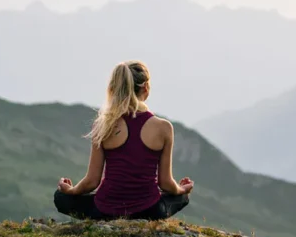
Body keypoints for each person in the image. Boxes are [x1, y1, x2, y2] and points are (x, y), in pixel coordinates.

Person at [54, 60, 193, 220]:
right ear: (146, 88)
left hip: (105, 211)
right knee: (181, 198)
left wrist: (71, 191)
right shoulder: (163, 127)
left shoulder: (104, 125)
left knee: (60, 197)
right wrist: (182, 190)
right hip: (150, 211)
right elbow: (165, 183)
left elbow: (92, 181)